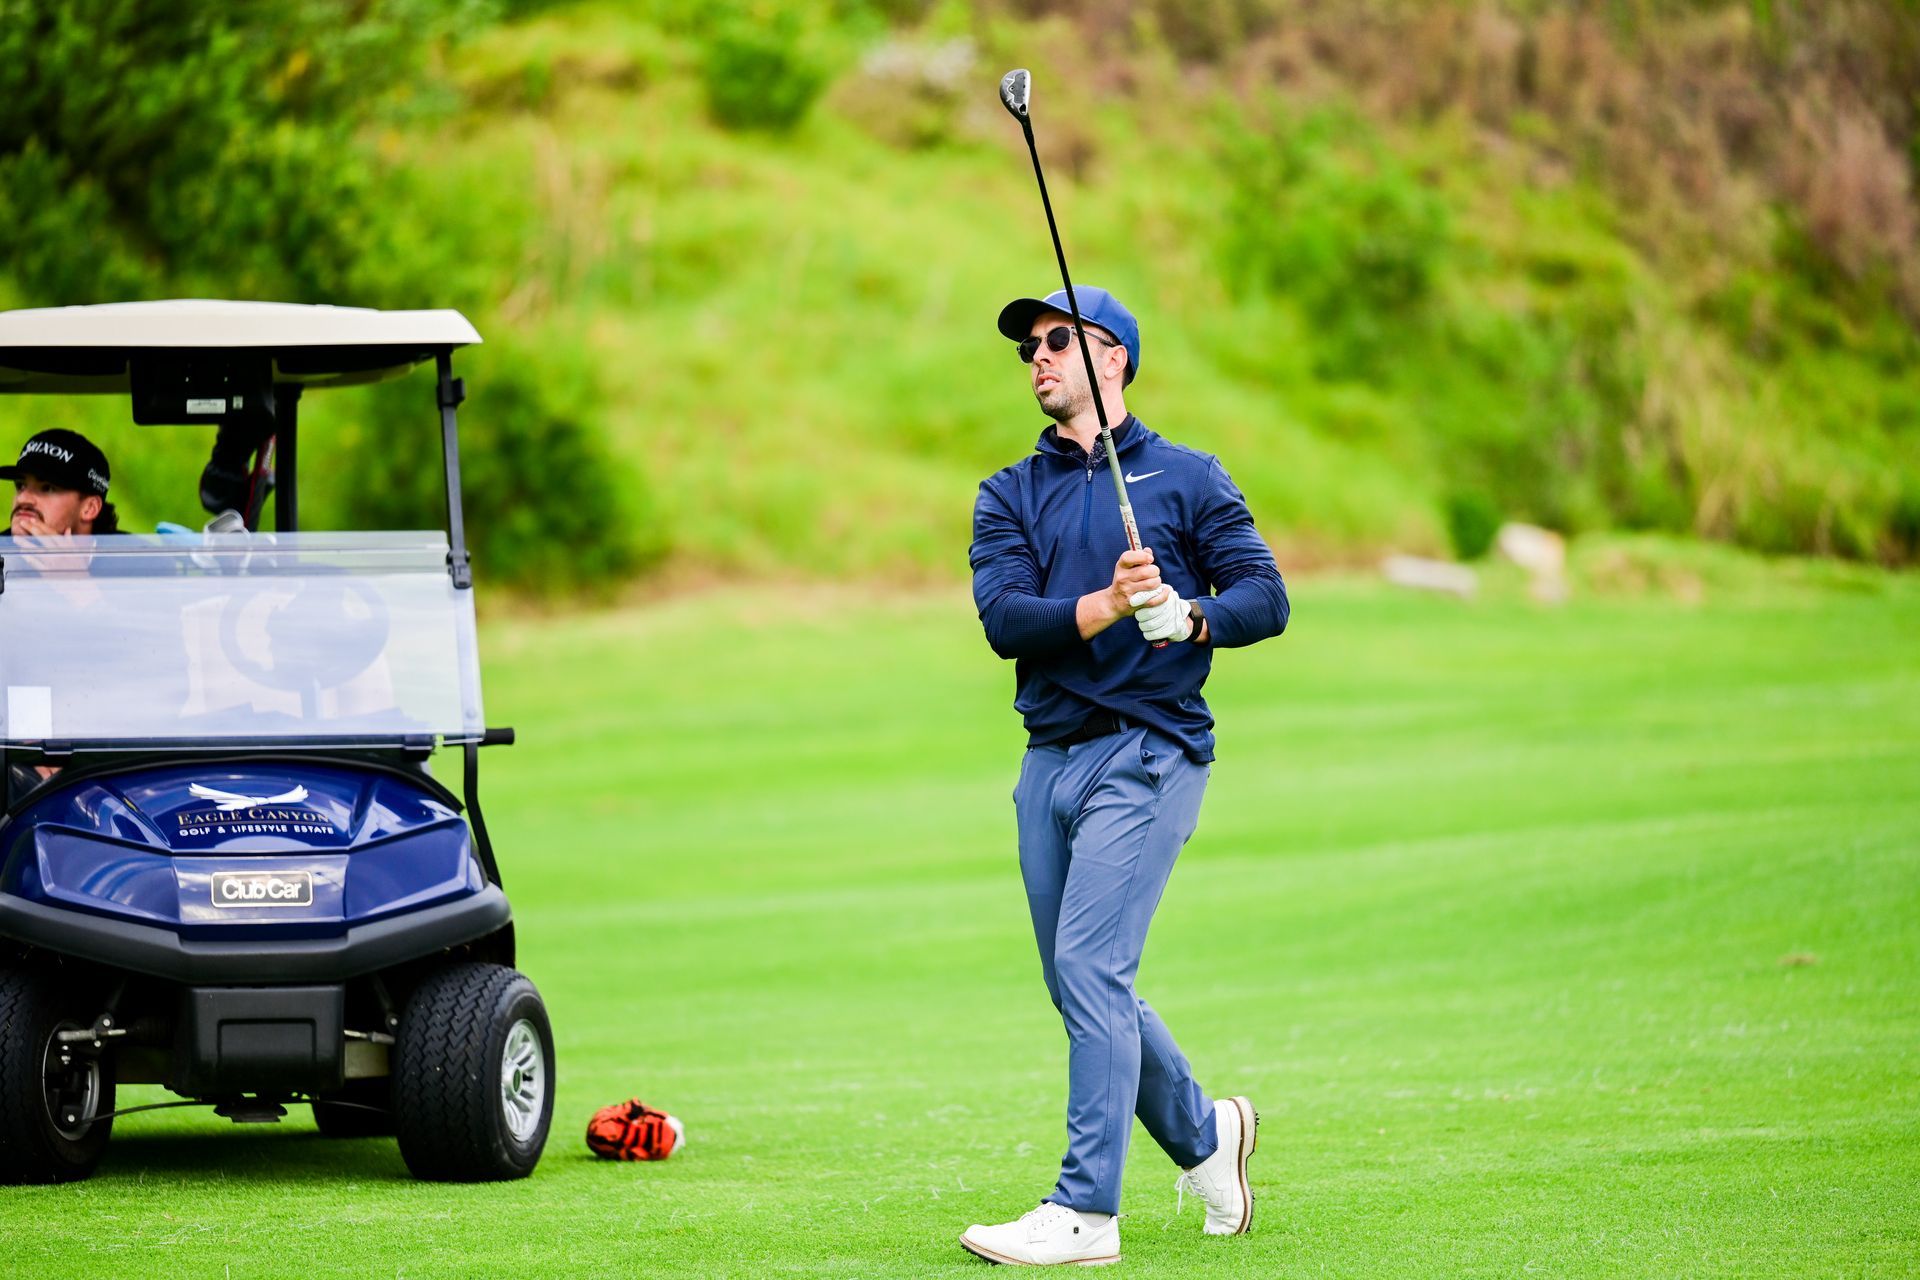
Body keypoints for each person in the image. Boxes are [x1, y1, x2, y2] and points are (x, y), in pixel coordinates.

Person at [962, 287, 1289, 1266]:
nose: (1037, 357)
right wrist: (1106, 604)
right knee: (1080, 981)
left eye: (1058, 339)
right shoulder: (1007, 493)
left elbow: (1264, 594)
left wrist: (1191, 615)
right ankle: (1208, 1136)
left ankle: (1086, 1211)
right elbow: (1005, 620)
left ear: (1114, 358)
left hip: (1148, 751)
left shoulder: (1185, 478)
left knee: (1090, 970)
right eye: (1028, 346)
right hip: (1047, 761)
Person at [4, 429, 119, 537]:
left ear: (90, 508)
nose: (22, 499)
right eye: (20, 486)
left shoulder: (125, 550)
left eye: (47, 488)